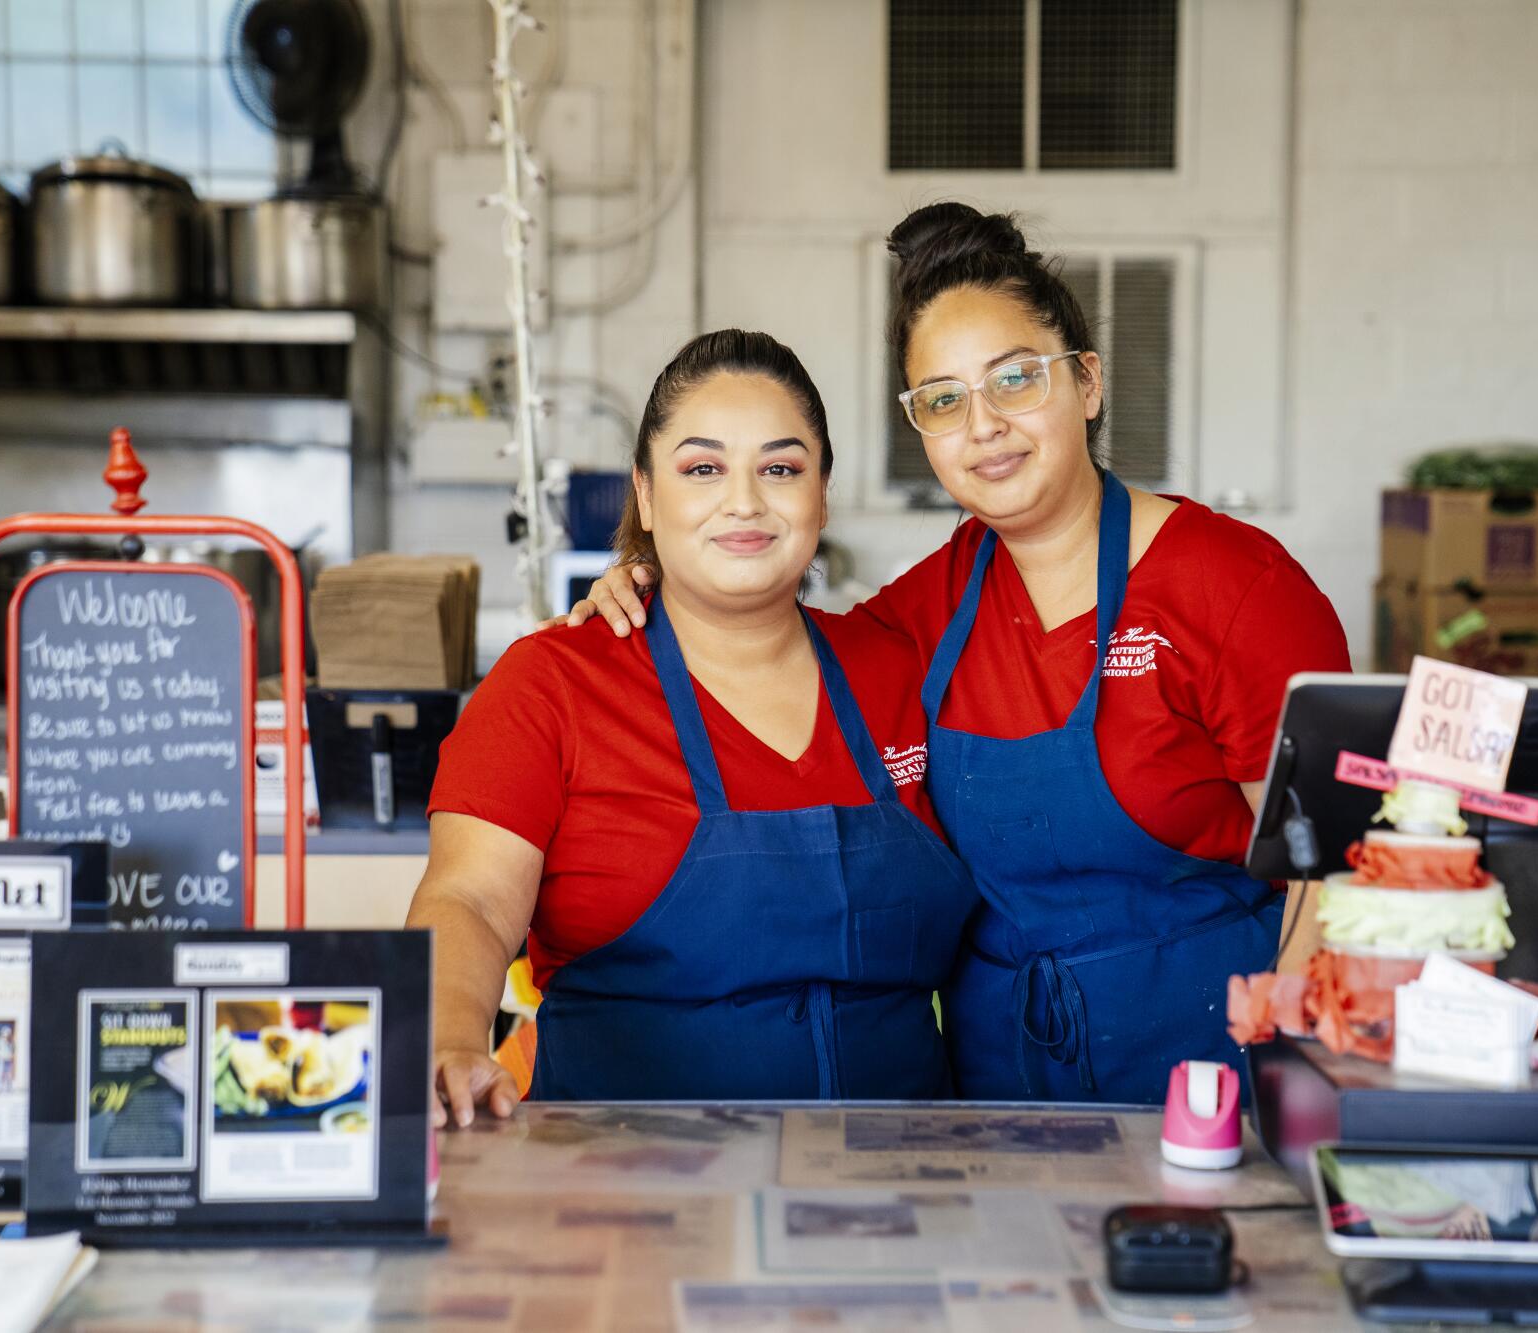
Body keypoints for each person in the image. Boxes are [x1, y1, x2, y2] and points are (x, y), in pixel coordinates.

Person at [567, 205, 1351, 1105]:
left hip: (1210, 1080)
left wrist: (1283, 1092)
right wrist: (647, 579)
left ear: (1088, 382)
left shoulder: (1232, 587)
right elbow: (760, 635)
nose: (983, 426)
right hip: (996, 1100)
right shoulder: (925, 610)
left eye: (1015, 380)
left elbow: (1335, 871)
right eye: (942, 399)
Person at [408, 329, 976, 1125]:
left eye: (780, 468)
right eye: (702, 468)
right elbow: (468, 899)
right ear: (646, 494)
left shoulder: (900, 668)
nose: (743, 501)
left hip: (898, 1189)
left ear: (821, 495)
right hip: (624, 1205)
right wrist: (445, 1037)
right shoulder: (554, 683)